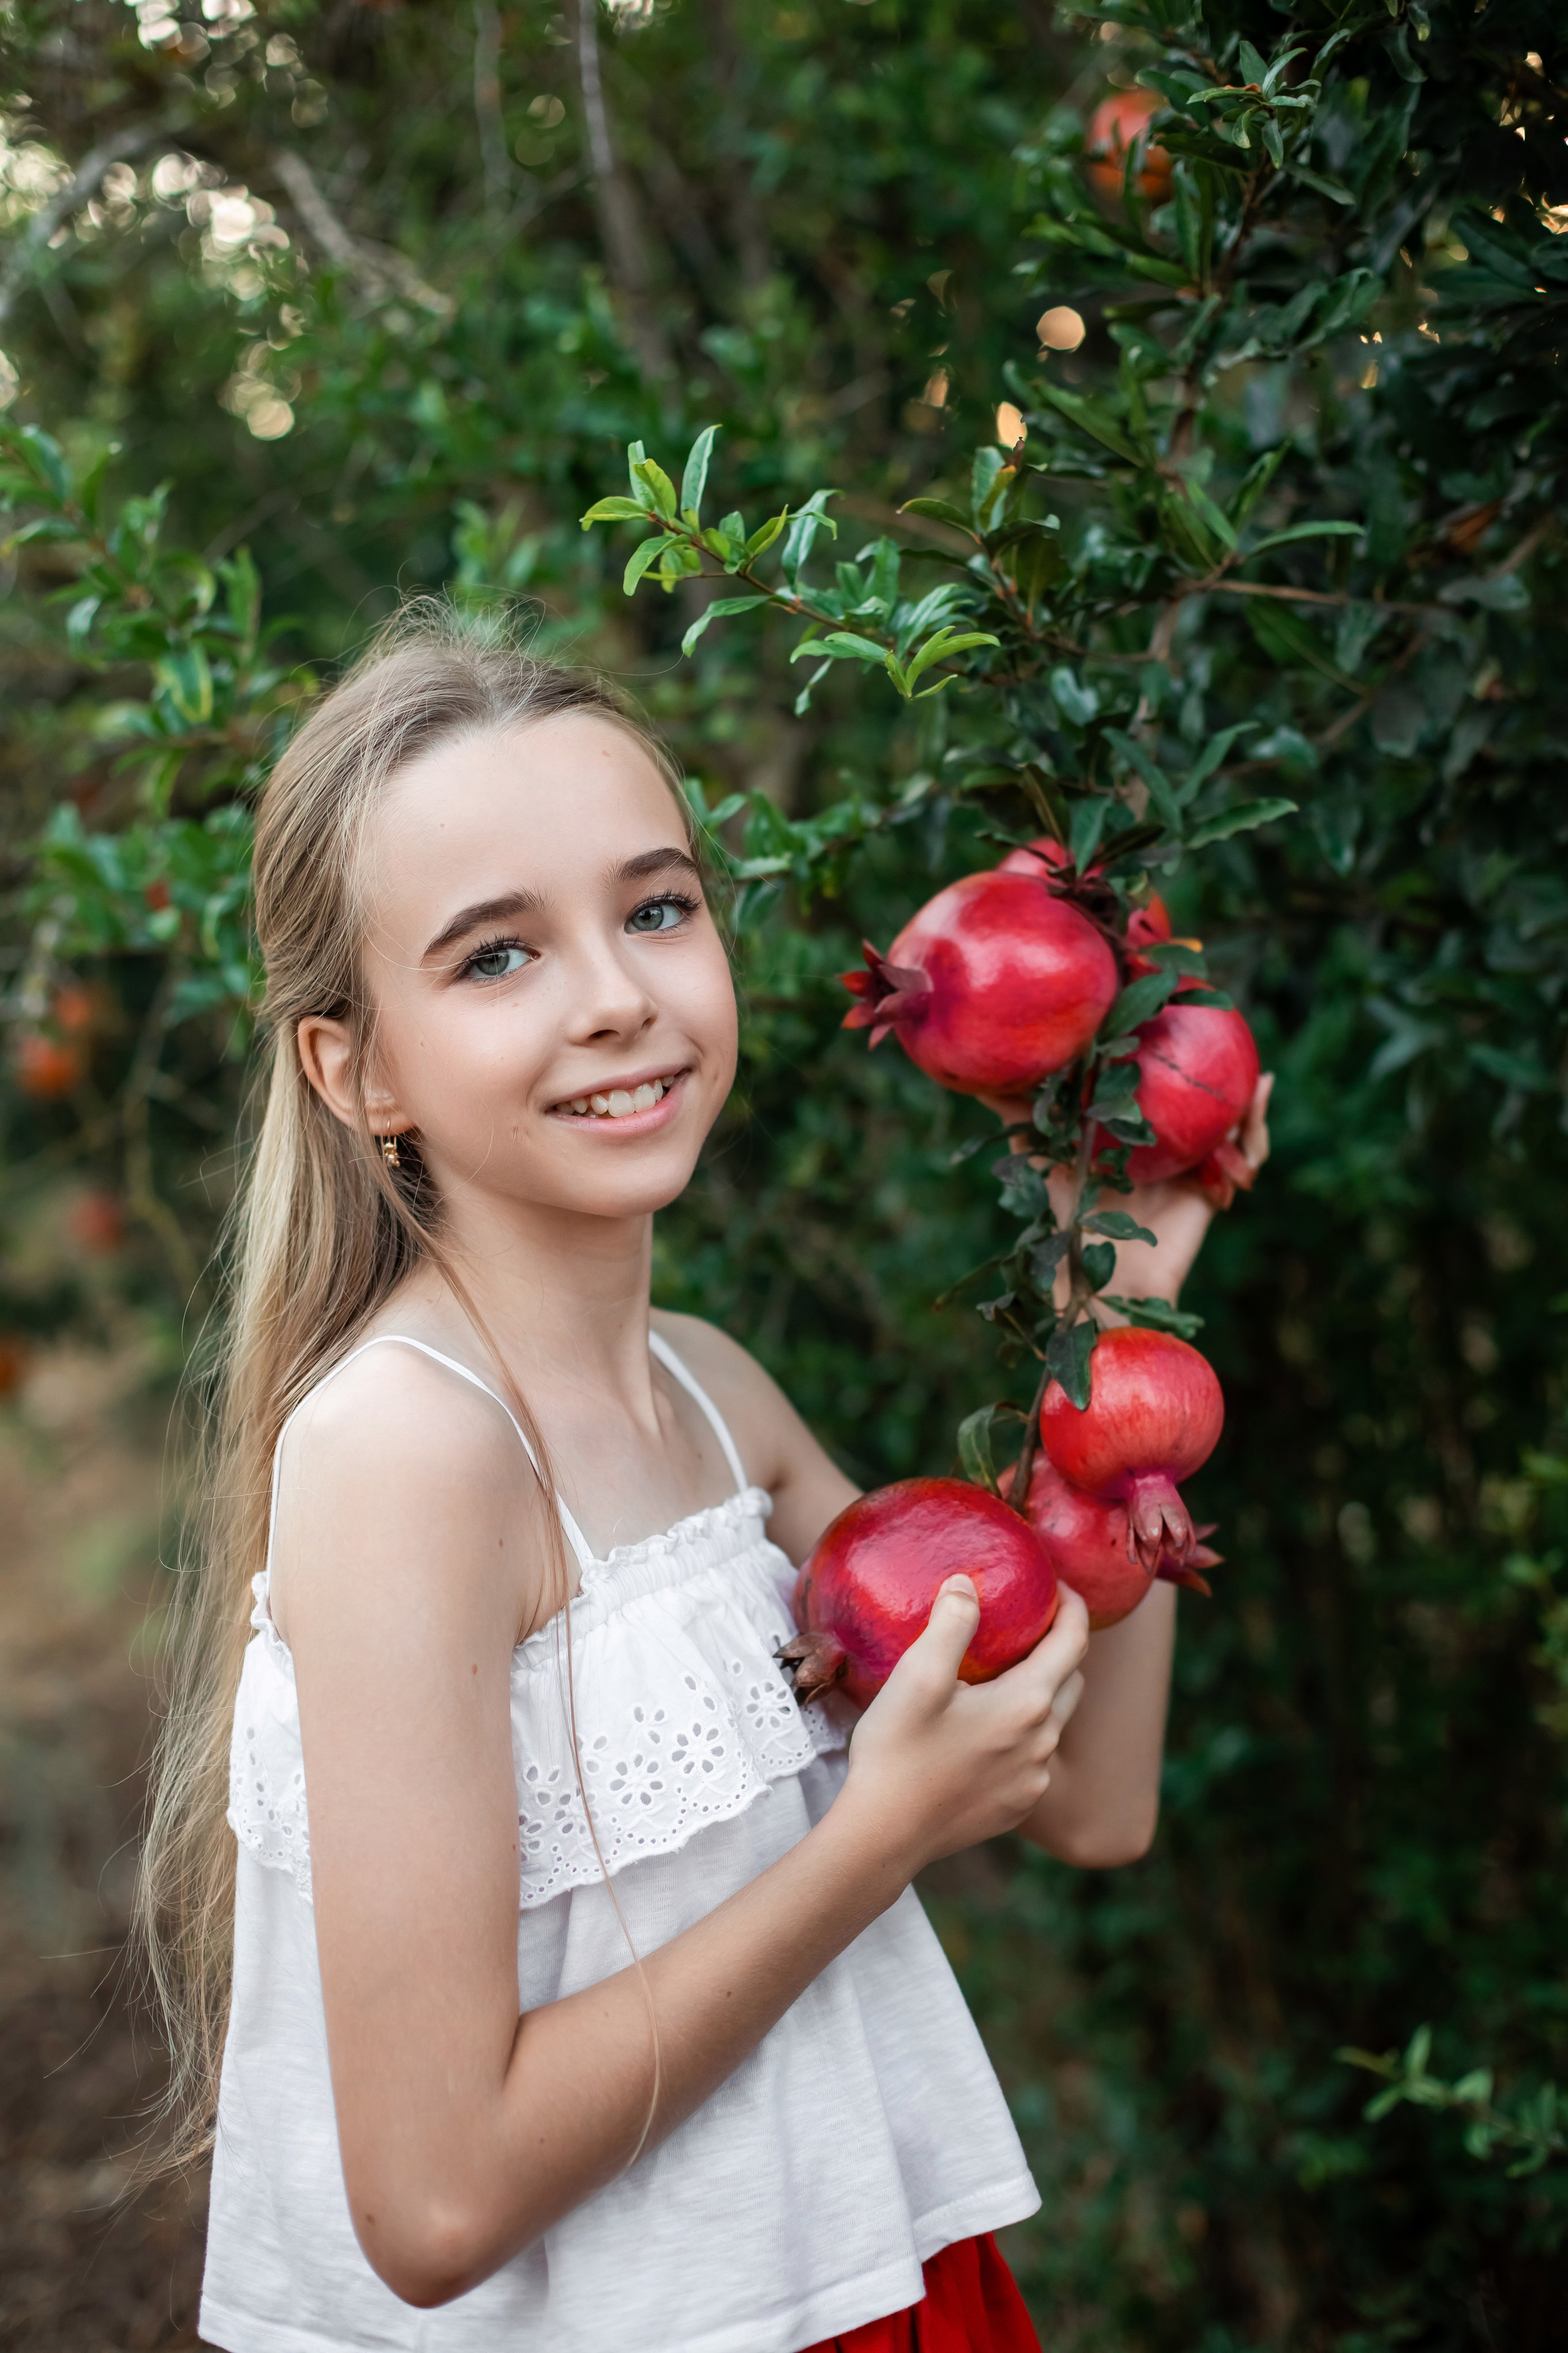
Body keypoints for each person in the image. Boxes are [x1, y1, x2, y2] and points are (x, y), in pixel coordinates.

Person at [137, 611, 1270, 2353]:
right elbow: (434, 2205)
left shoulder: (713, 1393)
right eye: (497, 955)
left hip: (880, 2296)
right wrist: (877, 1836)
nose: (616, 996)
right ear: (358, 1072)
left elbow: (1093, 1799)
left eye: (656, 909)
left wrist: (1115, 1315)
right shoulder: (406, 1451)